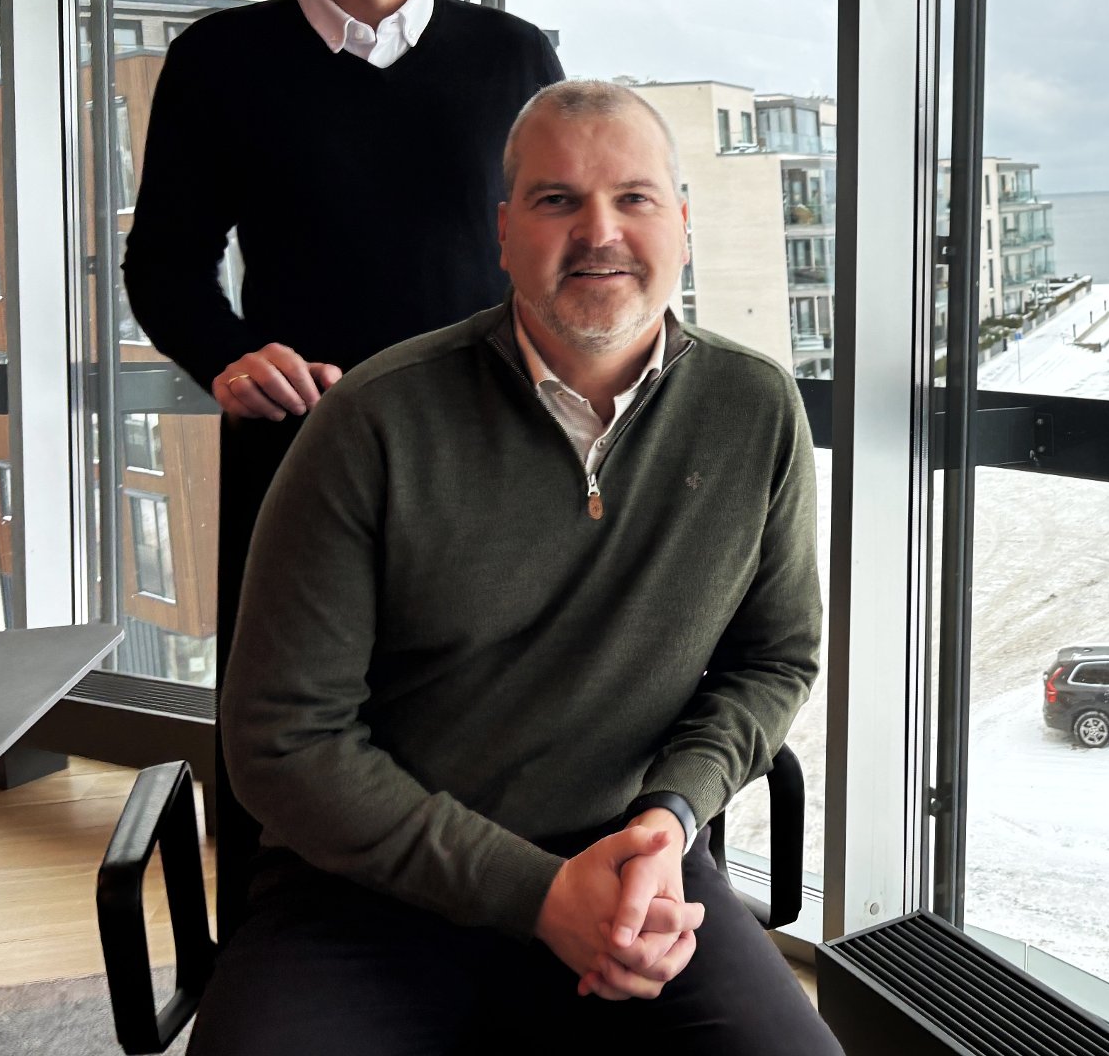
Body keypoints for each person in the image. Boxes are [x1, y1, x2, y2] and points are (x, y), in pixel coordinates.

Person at [190, 81, 840, 1054]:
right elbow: (282, 739)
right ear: (503, 232)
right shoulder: (372, 421)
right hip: (367, 890)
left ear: (682, 223)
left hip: (633, 865)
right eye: (556, 200)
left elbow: (773, 660)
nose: (599, 232)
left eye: (633, 198)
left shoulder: (755, 409)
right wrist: (537, 895)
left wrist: (671, 816)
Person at [120, 0, 563, 918]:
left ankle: (493, 933)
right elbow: (162, 263)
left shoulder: (516, 58)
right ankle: (275, 958)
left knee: (487, 728)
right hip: (299, 453)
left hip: (488, 461)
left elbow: (558, 256)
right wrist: (226, 354)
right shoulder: (219, 61)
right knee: (285, 738)